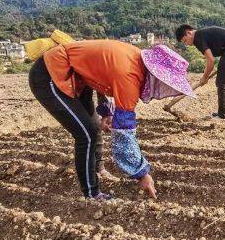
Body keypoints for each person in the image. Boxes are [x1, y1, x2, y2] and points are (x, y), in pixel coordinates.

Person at [29, 40, 195, 199]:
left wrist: (106, 112)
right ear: (155, 73)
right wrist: (141, 174)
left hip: (79, 77)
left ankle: (99, 169)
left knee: (93, 128)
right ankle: (92, 194)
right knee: (86, 135)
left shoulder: (134, 59)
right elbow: (124, 132)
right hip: (50, 74)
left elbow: (101, 75)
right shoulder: (129, 75)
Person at [175, 25, 225, 119]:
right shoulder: (202, 34)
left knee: (222, 83)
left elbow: (211, 60)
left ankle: (222, 115)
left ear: (189, 32)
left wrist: (205, 77)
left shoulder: (198, 37)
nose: (187, 44)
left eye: (185, 40)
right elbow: (210, 59)